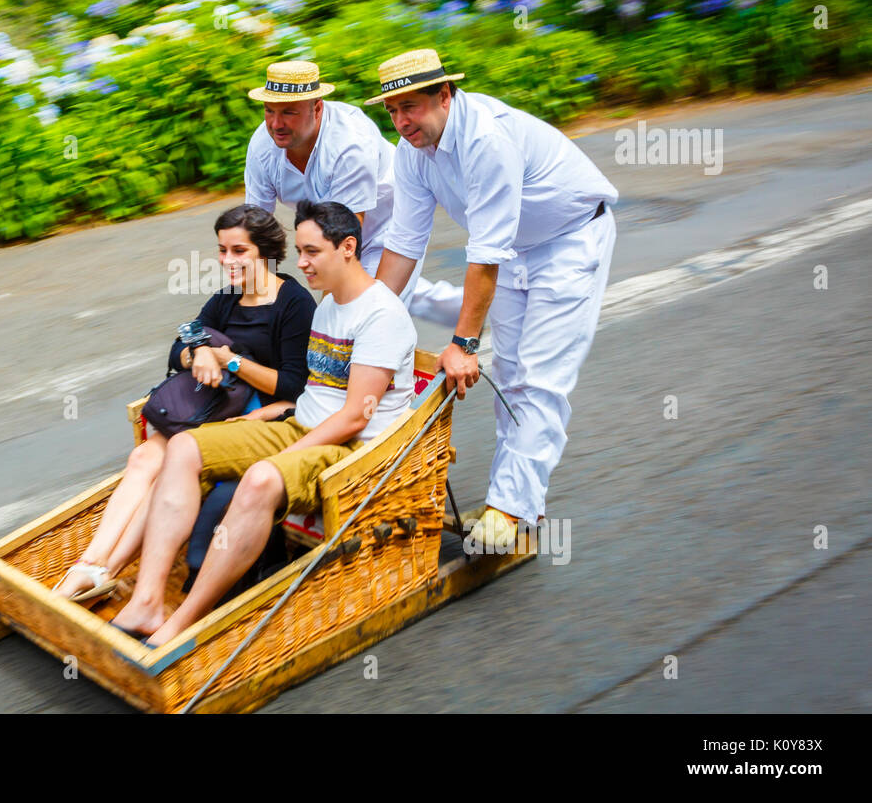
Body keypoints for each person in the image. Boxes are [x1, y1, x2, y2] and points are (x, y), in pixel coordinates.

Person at [113, 201, 417, 645]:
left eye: (312, 252)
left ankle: (183, 623)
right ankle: (148, 601)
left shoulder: (381, 315)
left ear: (348, 247)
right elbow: (317, 386)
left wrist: (289, 450)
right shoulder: (331, 304)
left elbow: (354, 416)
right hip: (301, 424)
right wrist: (282, 410)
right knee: (184, 446)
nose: (301, 263)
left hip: (353, 451)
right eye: (299, 251)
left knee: (259, 478)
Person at [367, 49, 618, 549]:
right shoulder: (411, 150)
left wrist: (463, 342)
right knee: (510, 375)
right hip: (516, 249)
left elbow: (484, 257)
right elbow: (404, 243)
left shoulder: (485, 138)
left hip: (569, 242)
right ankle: (518, 499)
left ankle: (509, 507)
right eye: (391, 111)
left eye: (409, 107)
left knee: (541, 378)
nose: (399, 121)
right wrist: (366, 312)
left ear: (444, 95)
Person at [52, 204, 316, 599]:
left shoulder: (293, 304)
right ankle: (91, 565)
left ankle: (107, 571)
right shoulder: (227, 299)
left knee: (167, 468)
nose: (227, 260)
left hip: (257, 419)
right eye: (222, 250)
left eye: (238, 251)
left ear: (265, 252)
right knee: (142, 460)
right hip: (210, 409)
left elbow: (294, 385)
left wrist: (230, 360)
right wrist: (201, 353)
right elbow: (181, 345)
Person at [244, 59, 464, 327]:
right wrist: (258, 306)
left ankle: (469, 318)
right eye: (269, 111)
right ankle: (465, 308)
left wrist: (317, 328)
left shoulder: (350, 142)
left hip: (389, 221)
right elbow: (257, 233)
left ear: (316, 108)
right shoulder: (261, 146)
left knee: (362, 316)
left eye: (289, 112)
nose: (276, 124)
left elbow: (343, 242)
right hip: (329, 228)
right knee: (382, 291)